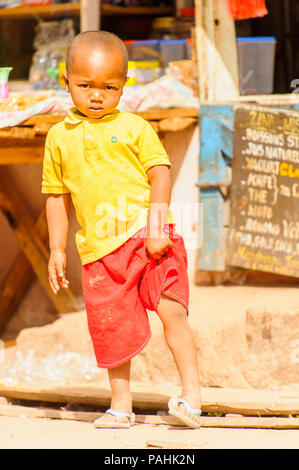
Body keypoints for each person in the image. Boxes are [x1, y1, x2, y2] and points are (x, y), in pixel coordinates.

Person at [41, 30, 202, 429]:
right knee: (113, 329)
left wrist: (156, 226)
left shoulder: (135, 127)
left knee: (173, 312)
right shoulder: (58, 138)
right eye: (85, 85)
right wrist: (57, 249)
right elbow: (55, 196)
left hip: (149, 240)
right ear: (66, 80)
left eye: (109, 87)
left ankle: (193, 397)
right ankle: (121, 406)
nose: (96, 95)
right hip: (99, 252)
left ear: (124, 85)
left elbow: (160, 174)